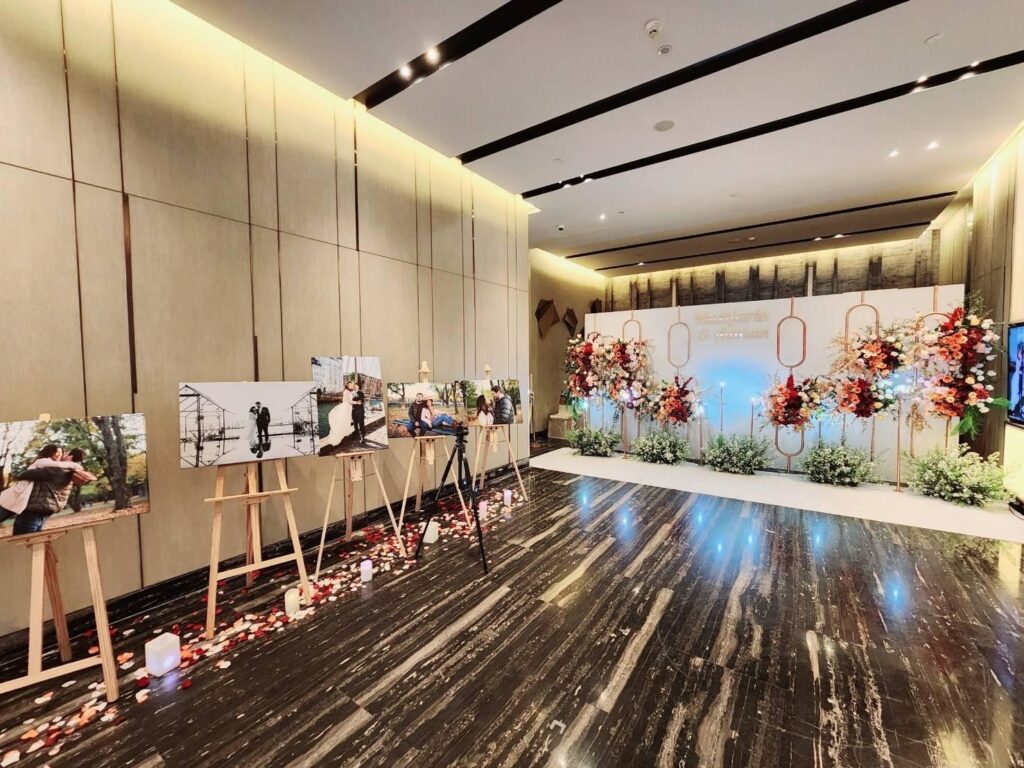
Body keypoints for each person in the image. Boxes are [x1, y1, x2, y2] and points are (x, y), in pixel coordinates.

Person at [12, 447, 95, 535]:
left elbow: (23, 475)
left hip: (34, 510)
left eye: (65, 453)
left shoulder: (57, 470)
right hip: (46, 510)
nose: (62, 455)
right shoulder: (72, 472)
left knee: (22, 539)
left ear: (70, 457)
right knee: (33, 539)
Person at [321, 381, 355, 450]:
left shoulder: (349, 391)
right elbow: (348, 401)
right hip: (346, 407)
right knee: (343, 420)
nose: (351, 386)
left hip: (348, 407)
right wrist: (356, 402)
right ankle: (338, 434)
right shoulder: (346, 392)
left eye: (351, 385)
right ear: (347, 386)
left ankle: (344, 432)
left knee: (346, 420)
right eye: (350, 385)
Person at [351, 378, 367, 444]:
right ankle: (356, 433)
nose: (355, 387)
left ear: (358, 387)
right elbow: (350, 402)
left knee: (361, 424)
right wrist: (354, 402)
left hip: (360, 411)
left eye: (356, 386)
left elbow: (360, 402)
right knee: (355, 424)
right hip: (353, 411)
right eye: (354, 386)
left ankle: (363, 437)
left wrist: (354, 402)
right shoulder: (351, 393)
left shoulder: (361, 393)